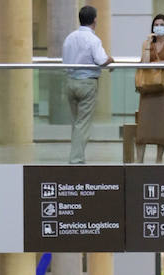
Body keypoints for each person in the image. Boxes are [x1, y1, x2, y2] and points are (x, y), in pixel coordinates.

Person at [62, 5, 113, 165]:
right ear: (95, 20)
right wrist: (110, 60)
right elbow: (101, 60)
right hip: (87, 83)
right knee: (82, 123)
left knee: (76, 122)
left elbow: (65, 59)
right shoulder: (93, 39)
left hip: (70, 82)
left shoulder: (70, 37)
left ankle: (77, 155)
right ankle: (76, 159)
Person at [135, 15, 164, 164]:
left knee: (161, 123)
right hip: (147, 87)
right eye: (156, 24)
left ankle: (159, 160)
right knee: (144, 122)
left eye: (162, 24)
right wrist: (148, 44)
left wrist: (156, 63)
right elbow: (145, 62)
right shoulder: (147, 44)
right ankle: (139, 160)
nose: (159, 26)